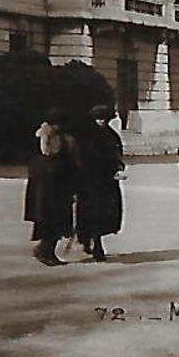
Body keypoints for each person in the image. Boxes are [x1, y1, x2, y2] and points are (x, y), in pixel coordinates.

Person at [24, 108, 76, 266]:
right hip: (53, 186)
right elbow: (51, 153)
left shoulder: (42, 138)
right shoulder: (53, 138)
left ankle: (44, 250)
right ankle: (46, 252)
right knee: (53, 218)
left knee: (47, 217)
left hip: (46, 186)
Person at [73, 105, 125, 263]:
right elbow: (81, 159)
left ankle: (92, 240)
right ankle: (95, 245)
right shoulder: (86, 136)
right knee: (93, 213)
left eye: (105, 118)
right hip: (89, 181)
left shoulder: (111, 134)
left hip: (106, 181)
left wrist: (119, 168)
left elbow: (118, 154)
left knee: (103, 213)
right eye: (99, 118)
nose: (102, 121)